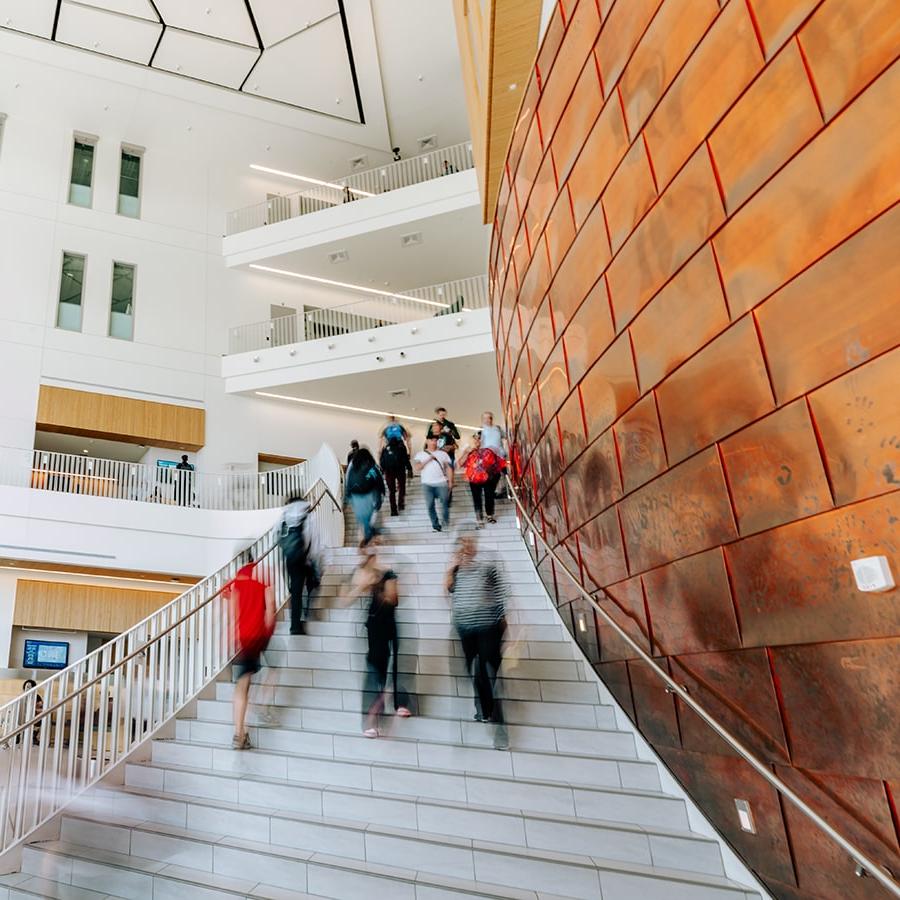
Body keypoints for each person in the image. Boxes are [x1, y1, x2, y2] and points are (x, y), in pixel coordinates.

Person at [445, 527, 508, 749]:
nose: (467, 547)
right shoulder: (455, 569)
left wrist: (505, 619)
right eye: (462, 543)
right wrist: (450, 569)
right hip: (465, 628)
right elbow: (448, 591)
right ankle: (483, 708)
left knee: (488, 670)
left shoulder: (488, 566)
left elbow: (501, 594)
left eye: (470, 542)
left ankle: (499, 727)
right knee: (477, 670)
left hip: (489, 626)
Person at [341, 538, 410, 737]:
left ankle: (397, 703)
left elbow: (394, 599)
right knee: (374, 670)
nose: (368, 553)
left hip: (387, 625)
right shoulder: (356, 573)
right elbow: (344, 600)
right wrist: (362, 587)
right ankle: (370, 719)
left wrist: (379, 586)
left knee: (391, 665)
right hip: (368, 629)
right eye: (365, 550)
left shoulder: (387, 572)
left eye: (372, 549)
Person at [228, 553, 275, 750]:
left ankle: (240, 732)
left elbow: (234, 611)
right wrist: (268, 633)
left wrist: (233, 635)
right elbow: (271, 607)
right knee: (269, 670)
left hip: (242, 638)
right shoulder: (263, 575)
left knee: (242, 686)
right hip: (258, 636)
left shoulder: (238, 579)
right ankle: (241, 731)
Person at [279, 495, 318, 635]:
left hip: (290, 559)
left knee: (296, 592)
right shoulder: (308, 515)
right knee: (312, 584)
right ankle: (307, 614)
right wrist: (312, 558)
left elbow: (278, 538)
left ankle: (295, 625)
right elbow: (314, 539)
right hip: (304, 558)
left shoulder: (284, 516)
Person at [458, 431, 506, 527]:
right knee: (477, 498)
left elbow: (497, 464)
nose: (477, 441)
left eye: (479, 438)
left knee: (489, 496)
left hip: (488, 478)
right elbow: (460, 464)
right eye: (475, 438)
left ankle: (489, 515)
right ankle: (479, 518)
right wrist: (467, 452)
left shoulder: (489, 450)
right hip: (474, 479)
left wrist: (497, 474)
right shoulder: (468, 451)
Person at [345, 447, 385, 543]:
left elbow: (348, 482)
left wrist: (347, 498)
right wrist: (381, 494)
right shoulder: (371, 466)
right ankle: (370, 536)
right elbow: (379, 481)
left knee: (362, 519)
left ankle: (368, 535)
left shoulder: (352, 467)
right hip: (368, 495)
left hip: (355, 497)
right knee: (368, 518)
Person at [414, 434, 453, 532]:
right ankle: (435, 525)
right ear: (427, 441)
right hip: (427, 484)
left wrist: (450, 481)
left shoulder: (443, 454)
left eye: (436, 440)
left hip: (441, 482)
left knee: (445, 503)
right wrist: (429, 459)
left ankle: (445, 523)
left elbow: (448, 468)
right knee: (430, 505)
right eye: (432, 440)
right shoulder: (420, 454)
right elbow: (417, 468)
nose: (434, 442)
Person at [379, 416, 411, 516]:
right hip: (400, 469)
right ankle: (400, 504)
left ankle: (393, 510)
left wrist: (382, 469)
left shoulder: (386, 447)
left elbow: (382, 459)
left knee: (391, 491)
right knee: (402, 487)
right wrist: (409, 468)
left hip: (389, 471)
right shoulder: (401, 446)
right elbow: (406, 458)